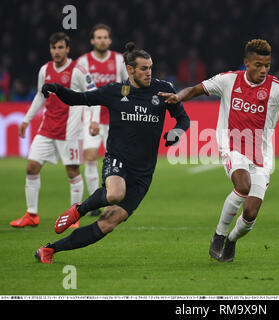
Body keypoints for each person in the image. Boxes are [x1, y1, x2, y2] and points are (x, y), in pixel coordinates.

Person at [34, 42, 190, 264]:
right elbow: (79, 99)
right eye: (144, 68)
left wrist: (176, 132)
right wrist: (58, 89)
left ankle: (49, 250)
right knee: (115, 193)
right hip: (118, 159)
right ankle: (79, 209)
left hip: (143, 173)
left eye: (150, 67)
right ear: (130, 70)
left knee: (108, 223)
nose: (149, 72)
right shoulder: (115, 92)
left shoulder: (163, 90)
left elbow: (183, 119)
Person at [159, 39, 279, 262]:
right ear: (246, 63)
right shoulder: (228, 80)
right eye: (258, 64)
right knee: (243, 185)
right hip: (232, 146)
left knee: (250, 214)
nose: (263, 70)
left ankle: (231, 241)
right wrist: (179, 96)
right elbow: (197, 89)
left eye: (267, 65)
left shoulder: (278, 88)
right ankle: (219, 235)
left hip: (262, 156)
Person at [10, 32, 98, 229]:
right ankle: (31, 214)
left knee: (72, 171)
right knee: (31, 167)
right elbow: (41, 96)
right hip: (47, 129)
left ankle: (73, 216)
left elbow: (94, 95)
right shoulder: (45, 70)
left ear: (67, 49)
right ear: (50, 50)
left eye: (60, 47)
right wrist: (26, 119)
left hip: (70, 131)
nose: (56, 51)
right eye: (53, 48)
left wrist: (94, 120)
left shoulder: (78, 71)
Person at [76, 24, 128, 216]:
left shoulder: (118, 60)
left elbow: (126, 84)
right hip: (91, 117)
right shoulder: (82, 62)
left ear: (110, 40)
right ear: (92, 40)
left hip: (114, 118)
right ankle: (94, 203)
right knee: (90, 156)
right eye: (99, 37)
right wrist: (90, 117)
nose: (102, 40)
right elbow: (80, 90)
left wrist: (122, 100)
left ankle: (111, 198)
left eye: (105, 37)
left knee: (115, 159)